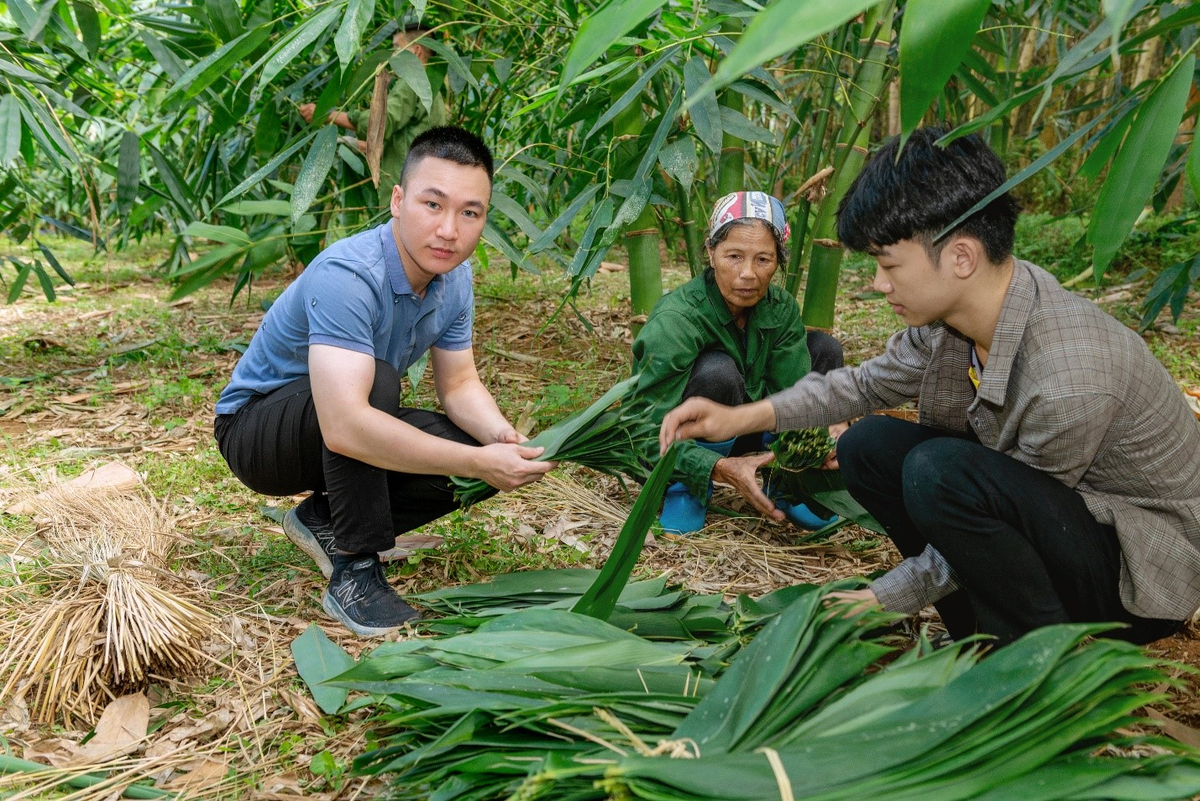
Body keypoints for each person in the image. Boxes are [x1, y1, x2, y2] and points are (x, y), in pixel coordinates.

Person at [659, 127, 1200, 647]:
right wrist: (739, 419)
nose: (878, 283)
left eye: (888, 264)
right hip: (1059, 524)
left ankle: (1033, 659)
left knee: (939, 472)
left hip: (1133, 573)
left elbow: (1015, 508)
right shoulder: (961, 317)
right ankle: (978, 632)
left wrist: (883, 598)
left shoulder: (1069, 375)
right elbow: (862, 386)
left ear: (960, 257)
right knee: (866, 445)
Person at [214, 126, 552, 637]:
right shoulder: (349, 276)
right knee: (380, 386)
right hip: (258, 433)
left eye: (469, 213)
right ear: (397, 200)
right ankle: (355, 568)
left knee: (470, 451)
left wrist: (500, 440)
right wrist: (479, 459)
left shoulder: (454, 279)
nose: (448, 230)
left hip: (338, 420)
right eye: (432, 204)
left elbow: (459, 386)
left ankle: (325, 519)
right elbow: (347, 426)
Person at [631, 190, 846, 535]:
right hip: (697, 437)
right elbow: (643, 430)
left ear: (779, 261)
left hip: (756, 428)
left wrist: (818, 437)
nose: (748, 274)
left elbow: (792, 390)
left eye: (763, 260)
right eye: (734, 256)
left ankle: (790, 477)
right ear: (711, 252)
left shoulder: (782, 307)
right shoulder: (676, 321)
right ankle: (685, 486)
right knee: (718, 372)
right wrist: (713, 466)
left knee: (823, 348)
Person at [300, 22, 449, 209]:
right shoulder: (432, 89)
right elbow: (407, 141)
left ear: (416, 51)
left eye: (396, 48)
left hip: (405, 194)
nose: (391, 56)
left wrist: (326, 114)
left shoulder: (413, 83)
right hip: (422, 191)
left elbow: (379, 123)